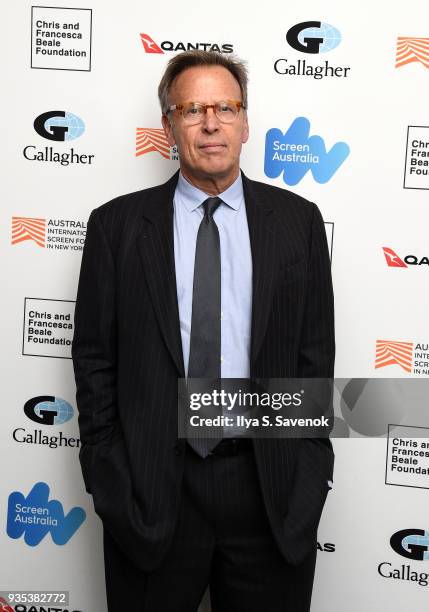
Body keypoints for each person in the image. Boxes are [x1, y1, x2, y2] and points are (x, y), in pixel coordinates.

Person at [72, 49, 335, 612]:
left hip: (268, 494)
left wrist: (307, 479)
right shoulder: (116, 227)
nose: (211, 123)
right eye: (192, 109)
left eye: (225, 107)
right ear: (169, 124)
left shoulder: (299, 224)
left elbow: (315, 362)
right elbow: (94, 362)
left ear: (245, 121)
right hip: (153, 494)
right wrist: (111, 479)